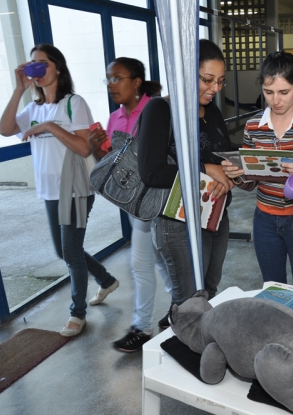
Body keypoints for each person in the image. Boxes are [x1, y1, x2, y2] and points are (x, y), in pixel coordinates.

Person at [0, 44, 119, 337]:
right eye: (32, 65)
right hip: (50, 189)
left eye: (42, 64)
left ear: (58, 68)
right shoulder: (33, 108)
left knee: (70, 253)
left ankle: (77, 314)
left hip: (76, 188)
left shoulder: (73, 103)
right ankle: (106, 280)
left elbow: (82, 146)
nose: (36, 69)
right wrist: (19, 89)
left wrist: (51, 127)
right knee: (64, 249)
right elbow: (4, 129)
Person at [221, 52, 293, 290]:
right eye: (268, 92)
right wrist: (238, 174)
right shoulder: (254, 126)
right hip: (264, 221)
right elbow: (251, 183)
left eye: (284, 92)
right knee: (273, 289)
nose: (275, 100)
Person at [138, 40, 235, 314]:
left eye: (220, 81)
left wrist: (232, 168)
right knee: (190, 300)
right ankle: (183, 345)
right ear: (187, 74)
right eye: (207, 80)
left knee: (209, 291)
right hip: (179, 222)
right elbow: (152, 172)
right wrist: (205, 170)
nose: (214, 88)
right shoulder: (160, 110)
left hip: (215, 213)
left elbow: (221, 155)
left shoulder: (213, 111)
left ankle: (195, 341)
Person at [87, 57, 171, 351]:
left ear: (136, 82)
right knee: (149, 264)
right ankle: (147, 324)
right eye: (108, 79)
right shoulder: (114, 119)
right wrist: (97, 149)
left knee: (161, 263)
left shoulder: (158, 109)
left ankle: (161, 318)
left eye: (117, 78)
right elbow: (113, 168)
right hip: (138, 205)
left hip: (162, 200)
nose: (111, 85)